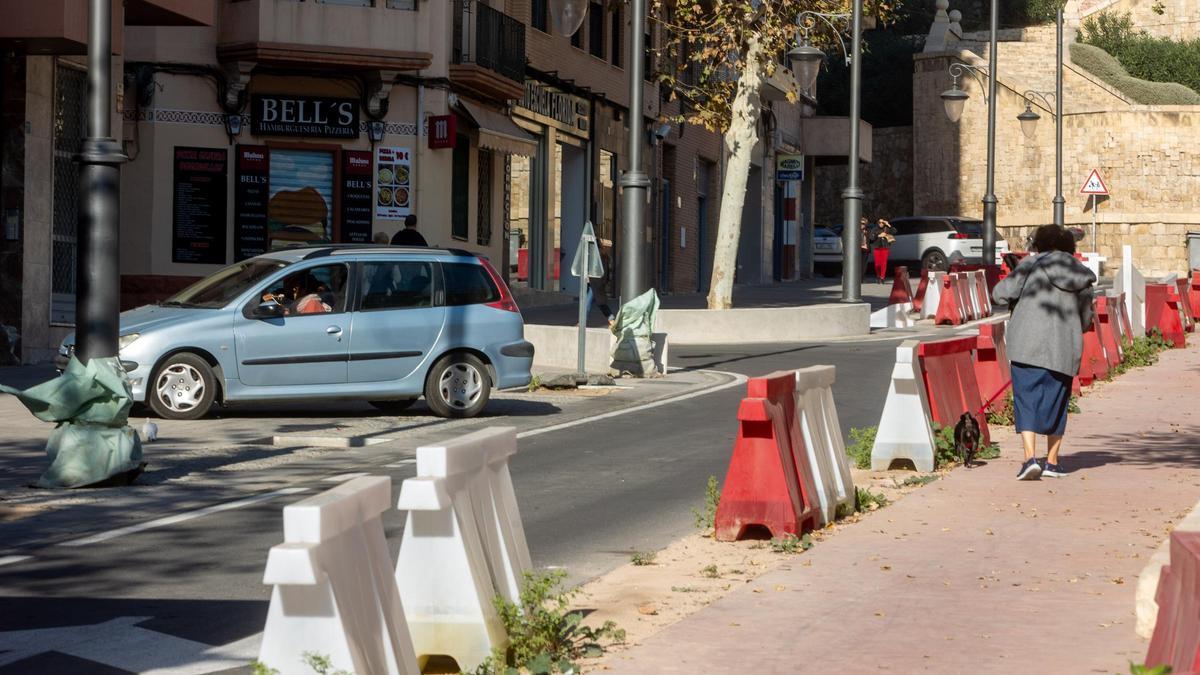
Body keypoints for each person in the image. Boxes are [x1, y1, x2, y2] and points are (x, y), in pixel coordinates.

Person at [992, 224, 1096, 481]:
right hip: (1063, 346)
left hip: (1026, 343)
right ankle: (1052, 462)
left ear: (1039, 244)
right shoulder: (1080, 274)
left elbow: (1000, 294)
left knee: (1026, 399)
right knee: (1057, 403)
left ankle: (1029, 459)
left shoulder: (1030, 265)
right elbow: (1086, 318)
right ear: (1070, 247)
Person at [870, 218, 896, 283]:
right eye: (880, 222)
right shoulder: (874, 229)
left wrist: (888, 225)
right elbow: (871, 238)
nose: (881, 224)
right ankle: (878, 276)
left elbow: (894, 231)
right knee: (877, 264)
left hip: (885, 247)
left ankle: (882, 277)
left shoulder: (887, 229)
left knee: (883, 263)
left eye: (882, 223)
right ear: (878, 223)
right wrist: (878, 235)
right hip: (877, 248)